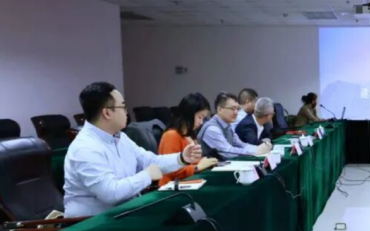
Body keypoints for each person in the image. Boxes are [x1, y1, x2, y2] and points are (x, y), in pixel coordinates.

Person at [63, 82, 202, 217]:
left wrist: (182, 158)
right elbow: (111, 193)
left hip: (123, 212)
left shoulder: (120, 137)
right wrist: (146, 175)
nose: (126, 112)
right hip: (90, 223)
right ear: (107, 113)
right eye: (123, 107)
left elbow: (151, 161)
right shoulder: (85, 147)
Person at [157, 92, 219, 187]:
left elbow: (193, 163)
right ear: (189, 114)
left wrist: (206, 162)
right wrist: (198, 167)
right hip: (172, 188)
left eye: (203, 118)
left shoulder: (191, 135)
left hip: (190, 183)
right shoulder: (171, 135)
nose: (201, 122)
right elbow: (171, 170)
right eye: (199, 117)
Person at [197, 92, 271, 160]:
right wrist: (256, 151)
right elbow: (228, 152)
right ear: (219, 109)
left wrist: (260, 148)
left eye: (237, 109)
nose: (236, 112)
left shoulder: (228, 126)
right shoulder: (212, 129)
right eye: (232, 109)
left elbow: (241, 145)